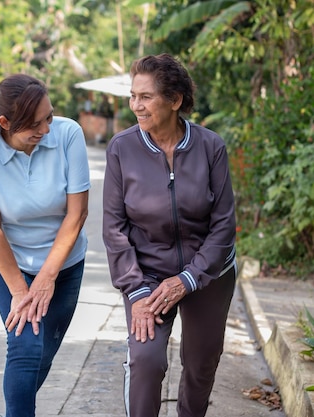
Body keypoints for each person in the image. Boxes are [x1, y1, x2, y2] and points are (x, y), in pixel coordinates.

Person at [102, 53, 237, 417]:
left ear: (174, 101)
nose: (136, 106)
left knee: (200, 365)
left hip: (208, 276)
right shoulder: (122, 149)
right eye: (133, 96)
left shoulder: (211, 147)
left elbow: (224, 225)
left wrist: (188, 279)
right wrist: (137, 290)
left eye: (145, 97)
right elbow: (114, 229)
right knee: (146, 361)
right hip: (146, 275)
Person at [0, 74, 90, 417]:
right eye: (34, 124)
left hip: (64, 264)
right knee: (25, 347)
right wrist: (20, 290)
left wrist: (47, 278)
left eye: (48, 117)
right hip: (10, 266)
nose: (45, 128)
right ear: (5, 123)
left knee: (42, 354)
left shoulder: (68, 134)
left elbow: (77, 214)